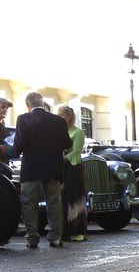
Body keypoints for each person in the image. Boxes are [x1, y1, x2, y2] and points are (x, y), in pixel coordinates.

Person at [13, 92, 72, 248]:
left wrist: (10, 150)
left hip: (31, 168)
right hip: (53, 167)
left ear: (28, 105)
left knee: (29, 203)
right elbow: (68, 144)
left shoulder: (23, 119)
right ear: (43, 103)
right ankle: (55, 236)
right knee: (54, 202)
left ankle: (32, 237)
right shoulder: (58, 121)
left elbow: (18, 146)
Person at [58, 105, 87, 241]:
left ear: (69, 116)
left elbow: (76, 151)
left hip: (73, 167)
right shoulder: (59, 132)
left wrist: (63, 158)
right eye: (58, 114)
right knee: (63, 199)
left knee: (75, 199)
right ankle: (65, 231)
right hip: (61, 168)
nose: (59, 117)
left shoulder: (78, 132)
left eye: (62, 114)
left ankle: (78, 231)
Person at [0, 97, 13, 164]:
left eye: (7, 108)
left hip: (4, 168)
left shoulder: (4, 128)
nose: (5, 110)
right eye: (3, 107)